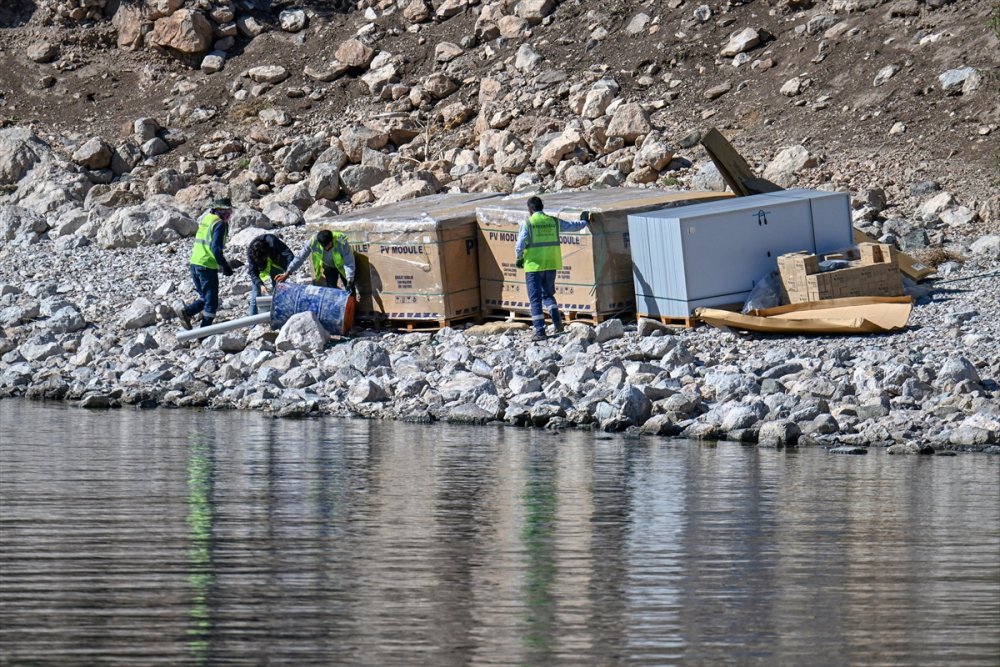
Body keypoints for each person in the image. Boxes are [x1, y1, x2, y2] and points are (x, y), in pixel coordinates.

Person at [514, 196, 591, 342]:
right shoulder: (553, 221)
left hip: (534, 266)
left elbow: (520, 245)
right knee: (548, 295)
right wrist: (585, 221)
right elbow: (572, 226)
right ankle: (557, 323)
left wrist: (519, 258)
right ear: (542, 206)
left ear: (529, 209)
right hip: (551, 264)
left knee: (535, 299)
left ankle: (540, 330)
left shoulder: (528, 223)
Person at [176, 198, 234, 330]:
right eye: (227, 212)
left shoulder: (207, 219)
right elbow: (216, 249)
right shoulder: (220, 224)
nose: (228, 215)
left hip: (195, 262)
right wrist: (225, 266)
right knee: (212, 302)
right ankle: (204, 332)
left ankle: (187, 312)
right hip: (207, 266)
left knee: (205, 296)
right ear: (219, 211)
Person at [277, 229, 356, 295]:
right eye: (324, 247)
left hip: (343, 267)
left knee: (350, 290)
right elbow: (300, 257)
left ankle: (354, 309)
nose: (327, 249)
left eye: (329, 246)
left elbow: (349, 261)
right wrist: (288, 273)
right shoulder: (313, 242)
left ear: (331, 240)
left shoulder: (341, 240)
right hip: (329, 266)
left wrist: (349, 279)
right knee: (331, 291)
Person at [246, 233, 294, 315]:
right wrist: (260, 285)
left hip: (276, 265)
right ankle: (252, 323)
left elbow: (290, 255)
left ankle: (280, 315)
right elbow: (252, 272)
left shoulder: (273, 242)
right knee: (255, 294)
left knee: (279, 290)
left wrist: (287, 273)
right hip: (261, 269)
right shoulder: (251, 252)